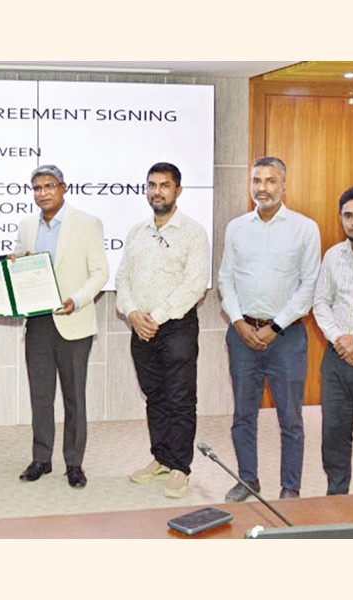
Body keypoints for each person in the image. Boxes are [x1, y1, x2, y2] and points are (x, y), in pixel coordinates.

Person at [218, 156, 320, 502]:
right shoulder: (236, 227)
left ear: (284, 186)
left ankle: (290, 487)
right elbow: (226, 279)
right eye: (257, 181)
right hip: (242, 334)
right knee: (242, 415)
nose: (262, 188)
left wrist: (275, 326)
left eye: (270, 181)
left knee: (290, 418)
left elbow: (309, 285)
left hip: (286, 337)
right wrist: (237, 321)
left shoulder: (305, 228)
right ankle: (248, 480)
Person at [116, 162, 209, 499]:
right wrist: (132, 313)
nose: (157, 192)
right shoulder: (136, 232)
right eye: (152, 185)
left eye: (164, 185)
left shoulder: (194, 232)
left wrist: (154, 317)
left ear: (177, 191)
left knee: (180, 398)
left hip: (176, 327)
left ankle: (180, 467)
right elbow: (122, 277)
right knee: (154, 395)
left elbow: (195, 284)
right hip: (140, 327)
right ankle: (161, 458)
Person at [12, 165, 109, 488]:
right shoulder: (27, 225)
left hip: (73, 321)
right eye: (37, 188)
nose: (43, 193)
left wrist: (77, 300)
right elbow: (19, 264)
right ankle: (41, 459)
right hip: (38, 321)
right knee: (40, 396)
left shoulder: (87, 223)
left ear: (63, 188)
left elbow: (100, 272)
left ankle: (74, 463)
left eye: (49, 186)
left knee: (74, 397)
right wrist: (15, 263)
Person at [313, 185, 353, 496]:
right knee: (334, 437)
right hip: (336, 362)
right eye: (348, 215)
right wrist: (341, 340)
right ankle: (336, 501)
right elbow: (321, 303)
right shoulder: (333, 256)